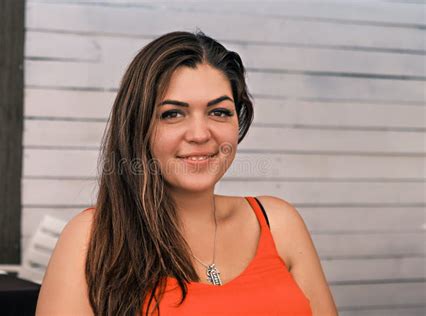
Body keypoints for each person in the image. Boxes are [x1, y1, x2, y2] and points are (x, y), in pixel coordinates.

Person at [36, 30, 338, 316]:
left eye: (218, 112)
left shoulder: (279, 222)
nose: (199, 134)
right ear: (137, 126)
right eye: (172, 114)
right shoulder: (91, 237)